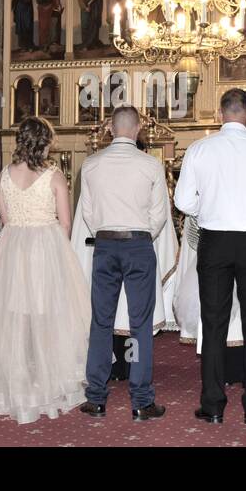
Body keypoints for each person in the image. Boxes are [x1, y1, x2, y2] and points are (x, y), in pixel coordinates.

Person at [0, 117, 91, 423]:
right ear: (46, 142)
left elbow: (3, 218)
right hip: (46, 246)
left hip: (13, 247)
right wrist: (60, 256)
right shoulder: (54, 176)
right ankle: (44, 375)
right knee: (45, 314)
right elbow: (65, 222)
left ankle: (16, 376)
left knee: (14, 315)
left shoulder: (3, 175)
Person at [173, 88, 246, 425]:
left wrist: (206, 208)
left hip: (214, 242)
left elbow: (183, 202)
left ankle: (212, 406)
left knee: (213, 324)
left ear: (220, 114)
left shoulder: (199, 149)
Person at [71, 107, 171, 420]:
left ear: (110, 129)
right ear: (139, 128)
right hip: (139, 245)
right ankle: (141, 401)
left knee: (101, 322)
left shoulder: (90, 164)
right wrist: (142, 235)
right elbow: (160, 214)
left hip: (104, 244)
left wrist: (104, 232)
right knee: (140, 325)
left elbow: (87, 213)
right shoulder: (150, 165)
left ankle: (97, 398)